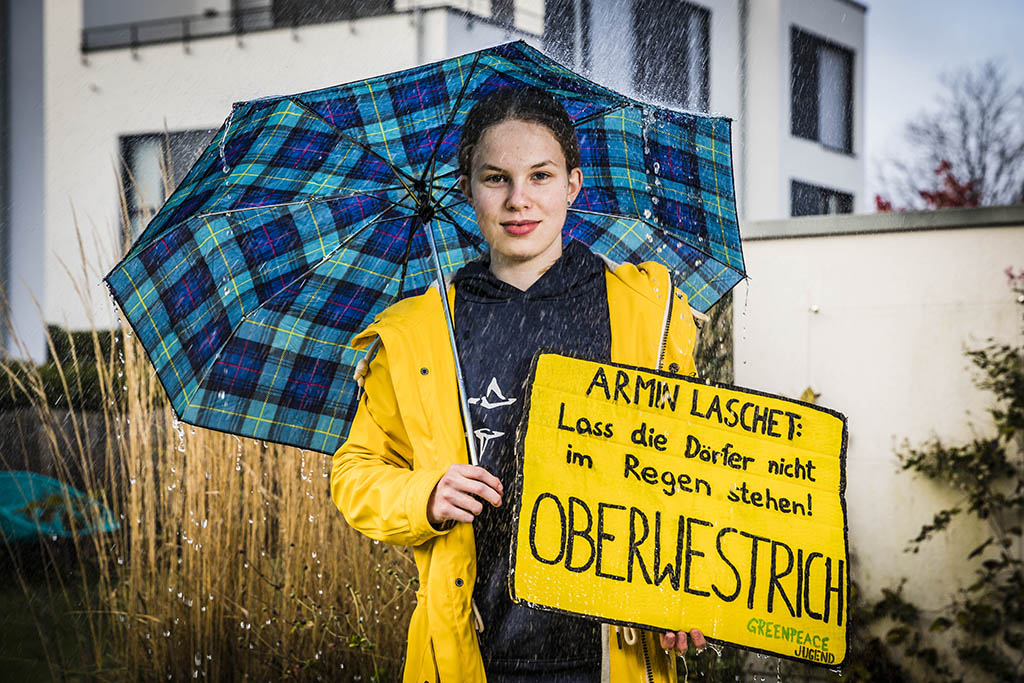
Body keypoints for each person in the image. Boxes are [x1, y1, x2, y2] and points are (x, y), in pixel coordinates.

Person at [331, 86, 707, 683]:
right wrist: (422, 495)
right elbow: (354, 471)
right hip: (471, 653)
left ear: (572, 185)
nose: (519, 199)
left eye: (540, 175)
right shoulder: (421, 331)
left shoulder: (644, 309)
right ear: (467, 189)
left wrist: (689, 586)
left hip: (613, 654)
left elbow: (689, 471)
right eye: (495, 178)